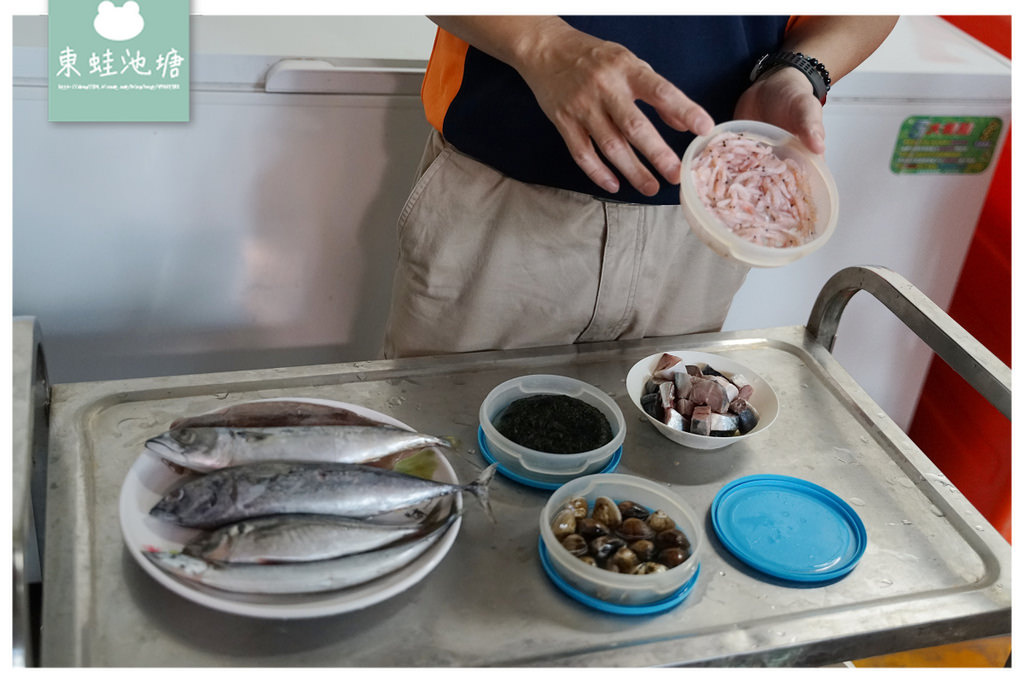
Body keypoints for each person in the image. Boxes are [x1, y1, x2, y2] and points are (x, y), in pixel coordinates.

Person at [382, 15, 898, 359]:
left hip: (702, 230)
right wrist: (543, 44)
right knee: (441, 462)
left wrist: (797, 71)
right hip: (500, 209)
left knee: (649, 486)